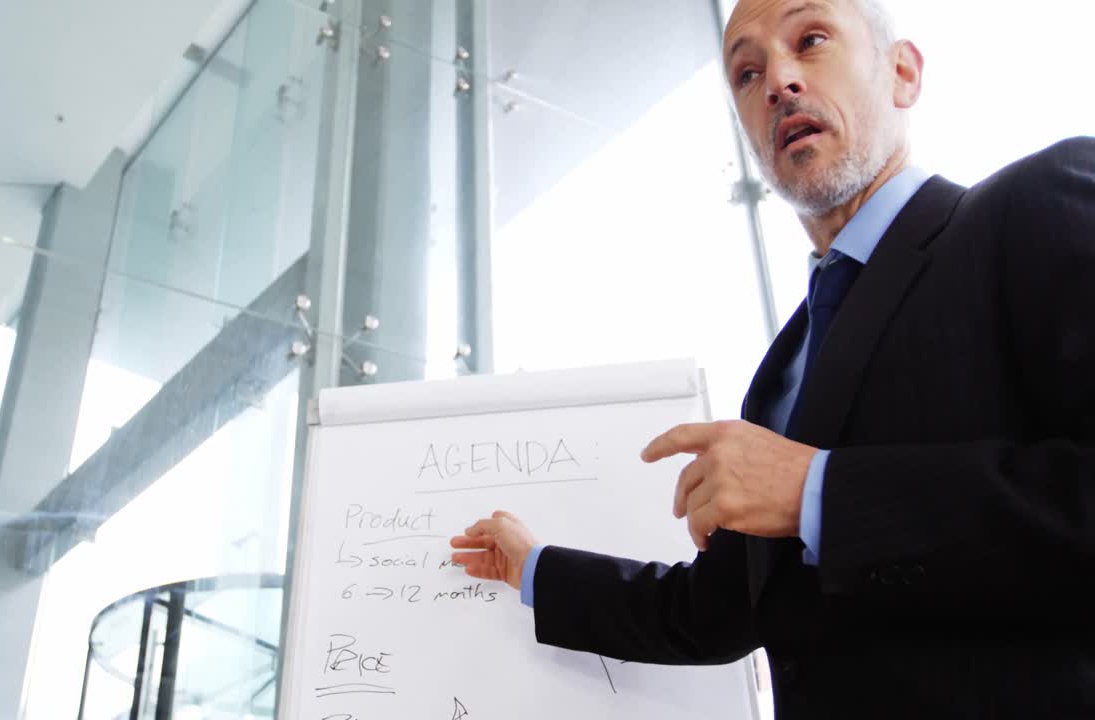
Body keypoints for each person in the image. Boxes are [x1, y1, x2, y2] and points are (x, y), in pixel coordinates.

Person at [449, 0, 1095, 717]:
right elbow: (720, 611)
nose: (778, 83)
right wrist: (533, 567)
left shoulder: (1039, 202)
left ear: (903, 74)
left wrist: (819, 492)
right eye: (747, 73)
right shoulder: (784, 371)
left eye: (811, 40)